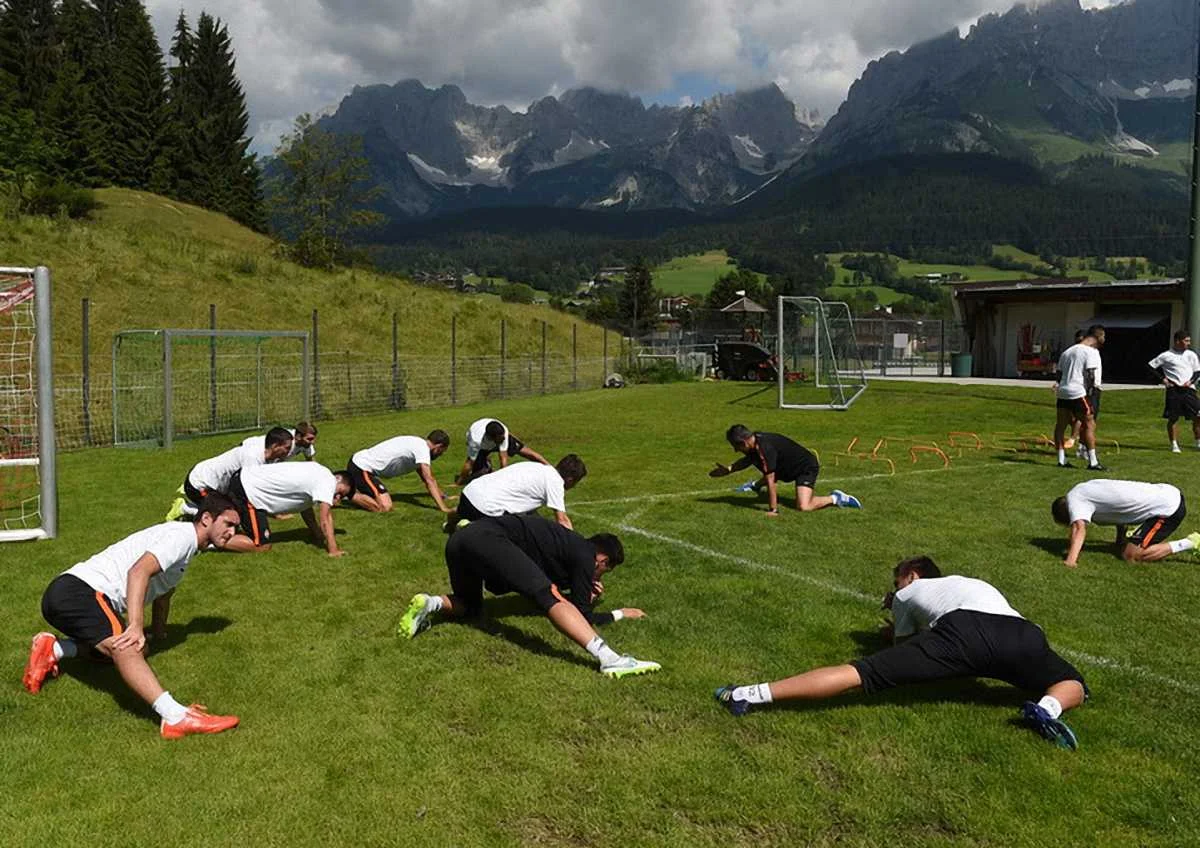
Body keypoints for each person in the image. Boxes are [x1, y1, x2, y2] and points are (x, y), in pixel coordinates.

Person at [714, 556, 1088, 750]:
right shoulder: (970, 582)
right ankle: (1046, 709)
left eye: (897, 582)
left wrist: (892, 628)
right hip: (1024, 632)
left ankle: (747, 694)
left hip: (962, 633)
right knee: (1072, 681)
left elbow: (903, 646)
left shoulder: (908, 593)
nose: (894, 591)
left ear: (912, 574)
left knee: (862, 674)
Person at [22, 494, 243, 739]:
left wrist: (157, 634)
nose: (232, 532)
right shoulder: (182, 537)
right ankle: (175, 717)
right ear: (206, 519)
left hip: (67, 595)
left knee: (139, 649)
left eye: (236, 527)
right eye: (229, 524)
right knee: (127, 648)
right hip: (80, 592)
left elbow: (163, 596)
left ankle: (56, 649)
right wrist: (136, 625)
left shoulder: (188, 546)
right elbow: (138, 572)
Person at [398, 514, 660, 679]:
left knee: (471, 608)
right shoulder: (584, 556)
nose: (601, 575)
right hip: (489, 538)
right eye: (606, 569)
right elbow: (581, 613)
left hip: (461, 540)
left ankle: (429, 603)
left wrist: (579, 590)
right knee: (548, 597)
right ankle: (610, 660)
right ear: (601, 558)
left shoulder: (566, 546)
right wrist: (619, 613)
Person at [710, 424, 861, 516]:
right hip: (785, 467)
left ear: (744, 442)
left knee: (803, 506)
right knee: (763, 464)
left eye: (736, 447)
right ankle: (754, 486)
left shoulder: (764, 448)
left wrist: (773, 509)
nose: (736, 451)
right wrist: (729, 470)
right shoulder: (755, 441)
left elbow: (771, 481)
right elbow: (747, 460)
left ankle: (836, 498)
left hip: (805, 467)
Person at [1051, 479, 1199, 567]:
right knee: (1125, 549)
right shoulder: (1083, 489)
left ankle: (1191, 542)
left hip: (1168, 508)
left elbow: (1079, 529)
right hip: (1165, 491)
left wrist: (1070, 560)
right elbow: (1117, 506)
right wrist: (1120, 540)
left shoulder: (1076, 502)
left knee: (1131, 556)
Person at [165, 426, 294, 520]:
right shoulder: (252, 458)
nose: (289, 452)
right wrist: (273, 513)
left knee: (233, 513)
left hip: (212, 484)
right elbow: (251, 492)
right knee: (228, 517)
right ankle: (184, 508)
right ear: (276, 446)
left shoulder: (266, 456)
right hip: (198, 485)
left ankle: (197, 510)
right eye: (287, 448)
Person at [226, 462, 352, 556]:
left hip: (245, 480)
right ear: (337, 478)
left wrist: (316, 533)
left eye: (342, 497)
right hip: (249, 490)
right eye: (340, 492)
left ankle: (219, 532)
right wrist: (333, 549)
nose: (337, 498)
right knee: (262, 545)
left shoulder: (317, 471)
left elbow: (306, 508)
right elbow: (325, 518)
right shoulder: (328, 481)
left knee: (234, 527)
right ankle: (214, 540)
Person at [448, 454, 586, 531]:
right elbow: (562, 520)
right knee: (517, 538)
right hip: (485, 509)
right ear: (570, 479)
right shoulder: (556, 482)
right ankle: (469, 528)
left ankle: (452, 521)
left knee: (465, 510)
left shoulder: (537, 467)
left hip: (469, 493)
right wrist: (575, 545)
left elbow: (530, 513)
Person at [347, 430, 452, 513]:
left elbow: (426, 479)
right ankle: (346, 491)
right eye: (442, 452)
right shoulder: (422, 450)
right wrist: (443, 508)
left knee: (382, 502)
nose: (440, 455)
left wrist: (443, 496)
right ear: (439, 447)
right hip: (361, 467)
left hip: (365, 468)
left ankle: (347, 485)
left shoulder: (418, 444)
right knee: (385, 507)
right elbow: (429, 480)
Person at [1053, 325, 1105, 470]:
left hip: (1063, 391)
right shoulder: (1090, 352)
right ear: (1098, 336)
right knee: (1089, 424)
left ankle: (1061, 460)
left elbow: (1058, 374)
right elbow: (1091, 375)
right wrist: (1091, 393)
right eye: (1103, 337)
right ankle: (1093, 461)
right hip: (1078, 392)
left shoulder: (1067, 351)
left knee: (1060, 425)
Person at [1148, 330, 1200, 453]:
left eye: (1189, 341)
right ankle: (1174, 445)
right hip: (1174, 391)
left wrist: (1191, 381)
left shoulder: (1191, 354)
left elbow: (1197, 371)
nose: (1188, 343)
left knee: (1198, 415)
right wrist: (1163, 379)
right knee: (1173, 418)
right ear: (1177, 341)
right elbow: (1150, 367)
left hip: (1189, 390)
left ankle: (1198, 441)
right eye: (1186, 341)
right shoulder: (1166, 355)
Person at [455, 418, 548, 484]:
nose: (503, 439)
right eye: (501, 439)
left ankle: (549, 467)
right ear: (492, 438)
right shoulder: (476, 441)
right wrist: (459, 482)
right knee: (479, 473)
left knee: (525, 452)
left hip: (493, 437)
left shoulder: (503, 433)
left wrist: (504, 478)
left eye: (503, 437)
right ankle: (487, 463)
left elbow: (503, 458)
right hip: (482, 446)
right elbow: (469, 463)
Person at [242, 421, 317, 462]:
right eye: (310, 439)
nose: (312, 442)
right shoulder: (286, 441)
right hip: (248, 448)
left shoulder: (306, 444)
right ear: (298, 437)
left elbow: (311, 462)